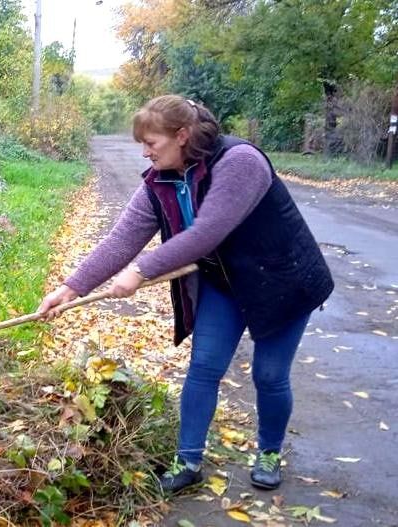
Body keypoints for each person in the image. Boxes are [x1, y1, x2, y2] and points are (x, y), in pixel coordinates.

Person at [36, 94, 334, 494]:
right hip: (224, 284)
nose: (145, 153)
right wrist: (71, 288)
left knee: (269, 374)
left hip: (282, 281)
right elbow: (121, 239)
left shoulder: (240, 162)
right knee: (204, 367)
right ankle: (188, 459)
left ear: (181, 135)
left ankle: (268, 452)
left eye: (151, 143)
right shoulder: (161, 180)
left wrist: (141, 271)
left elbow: (207, 233)